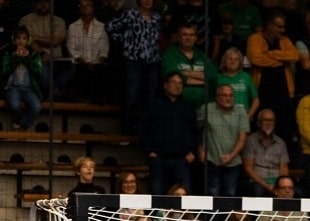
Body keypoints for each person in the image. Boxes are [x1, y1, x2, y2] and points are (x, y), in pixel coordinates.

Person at [105, 0, 162, 133]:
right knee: (130, 96)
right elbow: (110, 27)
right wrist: (124, 39)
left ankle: (145, 130)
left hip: (152, 61)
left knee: (150, 98)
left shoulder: (157, 17)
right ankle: (126, 129)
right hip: (133, 60)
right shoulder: (130, 14)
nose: (148, 1)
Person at [141, 71, 199, 196]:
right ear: (165, 85)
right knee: (157, 195)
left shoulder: (187, 107)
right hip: (159, 158)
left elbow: (195, 131)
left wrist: (192, 151)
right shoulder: (154, 105)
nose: (177, 86)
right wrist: (149, 150)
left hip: (182, 159)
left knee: (184, 196)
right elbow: (143, 129)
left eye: (180, 83)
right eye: (173, 82)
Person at [246, 12, 300, 146]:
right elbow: (256, 59)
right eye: (279, 27)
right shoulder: (255, 39)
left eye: (283, 27)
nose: (283, 30)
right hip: (262, 90)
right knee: (261, 124)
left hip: (283, 91)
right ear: (270, 25)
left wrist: (271, 54)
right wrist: (281, 61)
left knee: (284, 126)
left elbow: (294, 56)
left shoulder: (285, 40)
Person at [197, 84, 249, 196]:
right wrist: (200, 149)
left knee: (230, 194)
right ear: (217, 97)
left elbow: (243, 137)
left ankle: (226, 215)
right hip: (211, 160)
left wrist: (231, 155)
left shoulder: (240, 111)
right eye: (224, 95)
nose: (228, 98)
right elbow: (195, 130)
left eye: (231, 95)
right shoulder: (206, 109)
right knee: (213, 194)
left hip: (233, 162)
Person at [162, 21, 214, 110]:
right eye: (185, 35)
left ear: (195, 38)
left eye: (191, 35)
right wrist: (201, 80)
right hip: (177, 106)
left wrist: (185, 73)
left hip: (204, 108)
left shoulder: (202, 55)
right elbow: (170, 74)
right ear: (178, 37)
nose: (188, 38)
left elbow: (212, 75)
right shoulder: (169, 55)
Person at [65, 0, 110, 103]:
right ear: (79, 8)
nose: (85, 7)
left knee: (100, 72)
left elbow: (104, 50)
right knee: (82, 71)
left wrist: (98, 63)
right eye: (82, 5)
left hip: (97, 65)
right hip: (79, 64)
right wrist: (85, 63)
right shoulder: (72, 27)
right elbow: (71, 50)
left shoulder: (101, 27)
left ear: (93, 7)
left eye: (88, 5)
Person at [2, 27, 44, 131]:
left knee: (37, 106)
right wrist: (16, 58)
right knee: (15, 105)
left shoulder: (34, 55)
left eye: (24, 38)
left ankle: (23, 125)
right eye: (18, 38)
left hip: (28, 88)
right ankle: (18, 120)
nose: (21, 41)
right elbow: (4, 71)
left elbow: (39, 71)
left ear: (28, 40)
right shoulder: (8, 54)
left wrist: (26, 59)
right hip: (13, 87)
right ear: (14, 40)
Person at [242, 108, 290, 196]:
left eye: (271, 121)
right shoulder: (251, 140)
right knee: (258, 191)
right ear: (259, 123)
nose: (269, 123)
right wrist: (267, 185)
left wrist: (281, 185)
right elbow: (248, 168)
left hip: (276, 181)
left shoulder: (281, 143)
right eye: (265, 120)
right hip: (257, 180)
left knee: (294, 192)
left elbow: (284, 168)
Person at [212, 46, 258, 123]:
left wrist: (248, 116)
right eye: (230, 59)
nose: (233, 62)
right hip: (222, 117)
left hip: (243, 116)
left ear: (240, 62)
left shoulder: (245, 76)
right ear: (224, 61)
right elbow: (212, 99)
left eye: (236, 59)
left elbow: (256, 100)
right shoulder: (218, 78)